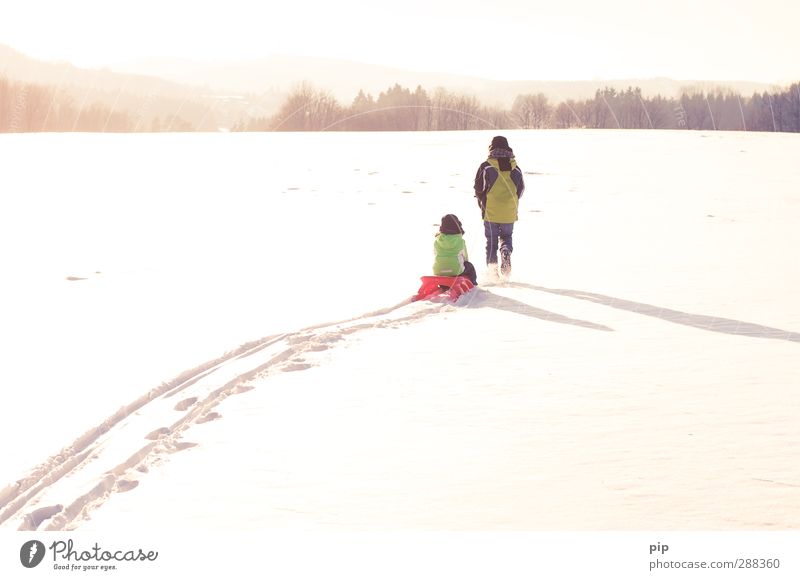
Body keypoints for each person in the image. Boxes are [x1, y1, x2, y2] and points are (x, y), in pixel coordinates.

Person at [473, 135, 525, 276]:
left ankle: (493, 273)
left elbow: (479, 188)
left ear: (492, 148)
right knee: (506, 237)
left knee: (491, 242)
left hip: (491, 211)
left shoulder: (486, 166)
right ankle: (506, 250)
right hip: (509, 211)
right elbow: (521, 190)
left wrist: (482, 201)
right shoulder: (516, 168)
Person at [432, 214, 478, 286]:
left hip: (439, 271)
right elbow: (465, 258)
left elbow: (435, 253)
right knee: (469, 266)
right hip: (456, 271)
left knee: (443, 268)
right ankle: (473, 283)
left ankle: (443, 283)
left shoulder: (437, 241)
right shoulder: (460, 241)